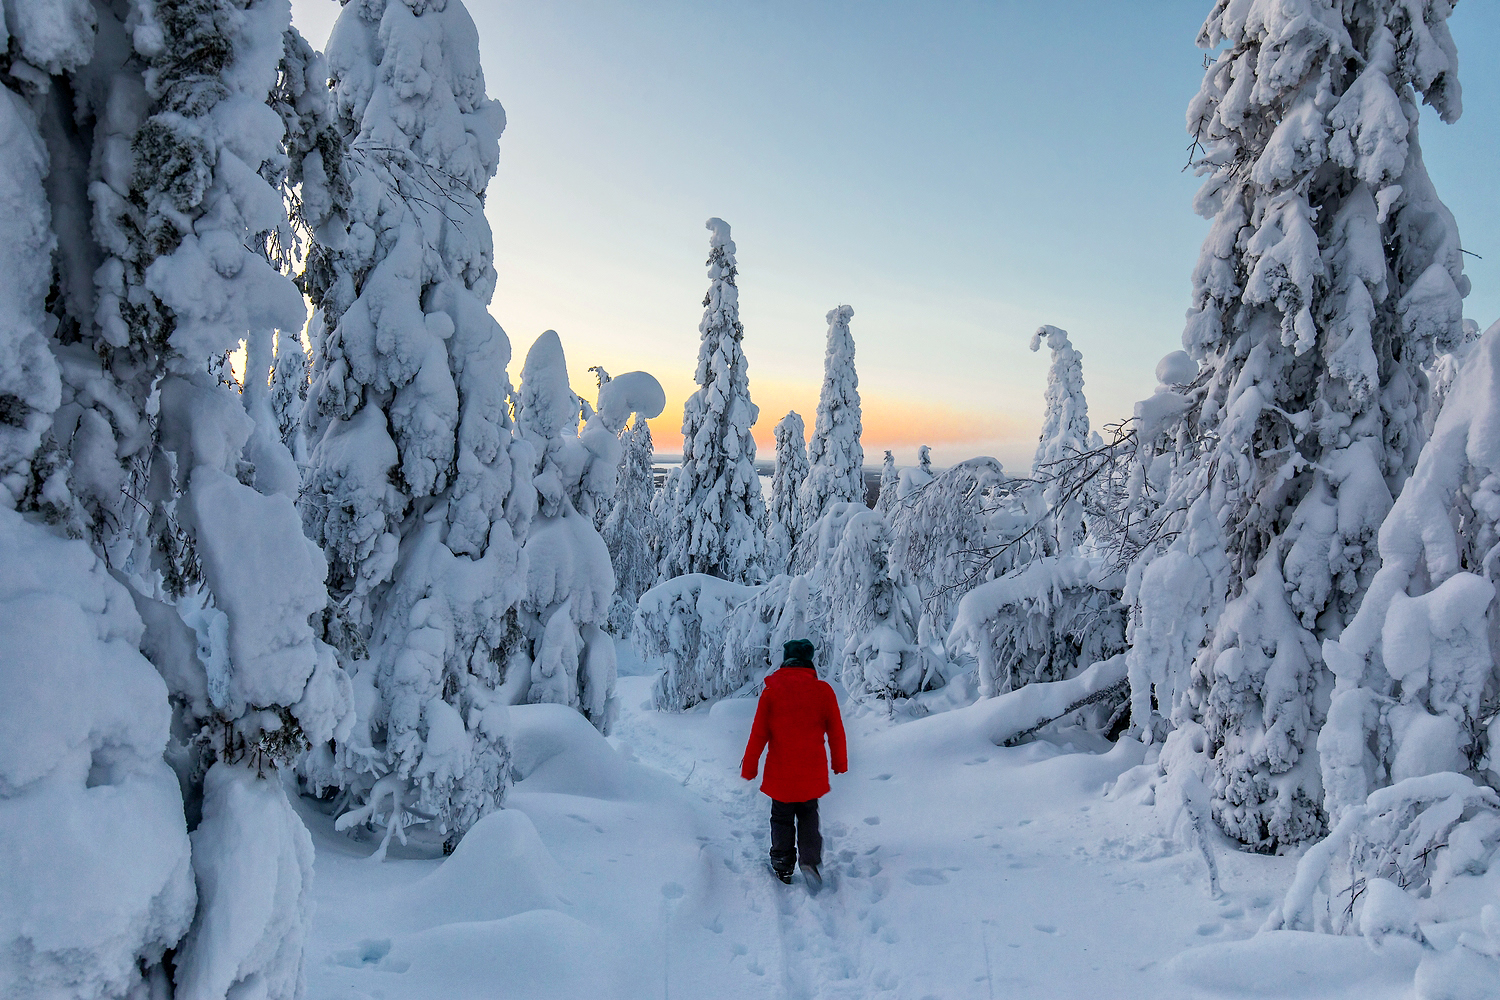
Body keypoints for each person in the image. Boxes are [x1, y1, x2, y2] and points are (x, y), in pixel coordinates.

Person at [741, 638, 848, 886]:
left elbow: (758, 733)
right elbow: (836, 731)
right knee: (809, 814)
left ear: (785, 662)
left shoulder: (771, 692)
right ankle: (809, 861)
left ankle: (782, 864)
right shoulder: (823, 692)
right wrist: (839, 762)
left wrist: (749, 766)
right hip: (812, 770)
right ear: (809, 663)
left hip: (781, 772)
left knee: (781, 817)